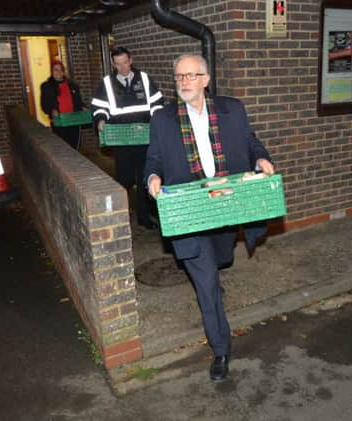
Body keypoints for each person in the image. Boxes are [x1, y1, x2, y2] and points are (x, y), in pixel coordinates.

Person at [145, 54, 275, 382]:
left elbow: (250, 142)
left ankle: (214, 285)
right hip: (189, 212)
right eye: (179, 77)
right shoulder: (163, 119)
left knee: (219, 261)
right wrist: (152, 179)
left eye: (192, 76)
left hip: (226, 207)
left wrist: (261, 159)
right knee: (205, 284)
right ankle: (220, 349)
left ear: (206, 80)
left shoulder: (232, 111)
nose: (185, 82)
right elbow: (154, 159)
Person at [91, 47, 165, 229]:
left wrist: (156, 122)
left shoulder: (145, 80)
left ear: (131, 60)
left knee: (144, 178)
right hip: (121, 140)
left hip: (144, 139)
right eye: (118, 64)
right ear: (113, 64)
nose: (123, 67)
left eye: (125, 62)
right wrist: (100, 120)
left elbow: (157, 104)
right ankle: (121, 218)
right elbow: (99, 107)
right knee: (124, 179)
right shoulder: (107, 84)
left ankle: (144, 217)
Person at [40, 61, 86, 150]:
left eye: (60, 70)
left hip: (74, 120)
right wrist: (51, 110)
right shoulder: (46, 87)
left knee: (74, 146)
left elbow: (78, 101)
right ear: (52, 71)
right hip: (59, 121)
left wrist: (83, 107)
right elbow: (44, 104)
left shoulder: (72, 85)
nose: (58, 72)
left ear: (63, 71)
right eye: (55, 70)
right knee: (62, 146)